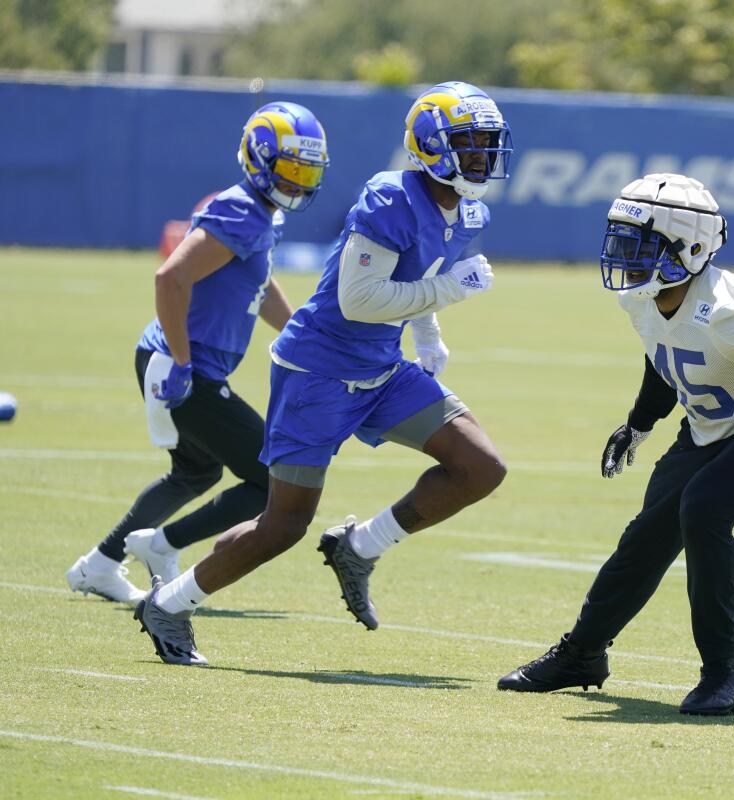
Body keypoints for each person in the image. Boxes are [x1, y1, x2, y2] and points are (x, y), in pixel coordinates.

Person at [133, 81, 513, 666]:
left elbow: (426, 268)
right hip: (318, 369)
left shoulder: (467, 209)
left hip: (381, 367)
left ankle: (359, 547)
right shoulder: (390, 198)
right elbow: (360, 299)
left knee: (480, 467)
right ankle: (171, 603)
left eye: (489, 144)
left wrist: (429, 332)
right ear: (431, 146)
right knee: (282, 524)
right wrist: (447, 293)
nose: (485, 157)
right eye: (471, 143)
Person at [497, 174, 734, 715]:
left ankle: (723, 674)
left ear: (692, 247)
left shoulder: (731, 305)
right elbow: (667, 357)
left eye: (638, 244)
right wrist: (639, 423)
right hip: (705, 431)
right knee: (648, 534)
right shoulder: (645, 298)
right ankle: (582, 654)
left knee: (703, 510)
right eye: (620, 241)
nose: (623, 256)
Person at [66, 102, 330, 605]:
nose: (297, 182)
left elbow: (258, 281)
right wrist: (183, 363)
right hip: (183, 367)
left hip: (181, 362)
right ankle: (162, 545)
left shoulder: (258, 214)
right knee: (268, 476)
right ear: (260, 159)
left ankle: (99, 565)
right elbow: (171, 277)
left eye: (306, 171)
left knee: (196, 472)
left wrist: (299, 331)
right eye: (290, 168)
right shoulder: (242, 209)